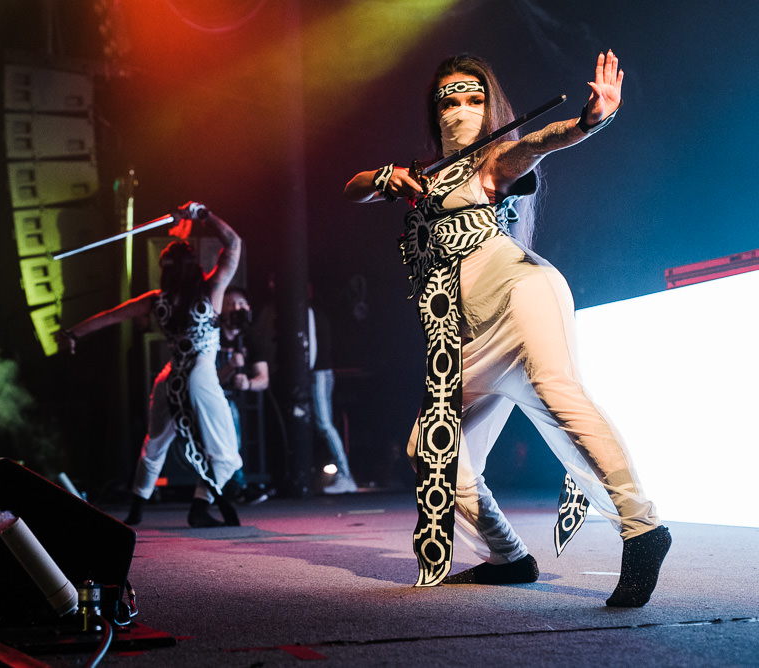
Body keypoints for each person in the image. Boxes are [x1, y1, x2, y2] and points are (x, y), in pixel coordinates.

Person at [344, 51, 670, 607]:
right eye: (450, 99)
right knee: (432, 450)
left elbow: (537, 142)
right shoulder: (423, 177)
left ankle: (643, 529)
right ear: (434, 110)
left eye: (474, 98)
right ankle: (509, 556)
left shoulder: (493, 162)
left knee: (560, 394)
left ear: (490, 105)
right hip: (466, 338)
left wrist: (592, 120)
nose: (460, 109)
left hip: (521, 296)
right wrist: (387, 176)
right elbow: (354, 187)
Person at [60, 203, 243, 528]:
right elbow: (234, 243)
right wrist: (203, 215)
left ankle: (136, 509)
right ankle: (199, 508)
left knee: (155, 444)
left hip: (170, 378)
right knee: (227, 452)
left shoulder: (155, 300)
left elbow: (109, 316)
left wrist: (74, 333)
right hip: (200, 375)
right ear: (194, 266)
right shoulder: (212, 289)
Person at [217, 286, 272, 504]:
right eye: (230, 304)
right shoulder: (212, 334)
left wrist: (248, 383)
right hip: (209, 396)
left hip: (233, 399)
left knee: (232, 423)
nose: (235, 309)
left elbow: (264, 379)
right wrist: (230, 367)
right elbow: (205, 380)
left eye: (240, 304)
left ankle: (235, 486)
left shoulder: (251, 337)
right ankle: (235, 486)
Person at [309, 297, 357, 494]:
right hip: (320, 371)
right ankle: (343, 475)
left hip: (318, 371)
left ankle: (345, 475)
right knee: (322, 424)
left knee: (324, 424)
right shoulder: (314, 312)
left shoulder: (311, 312)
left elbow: (311, 349)